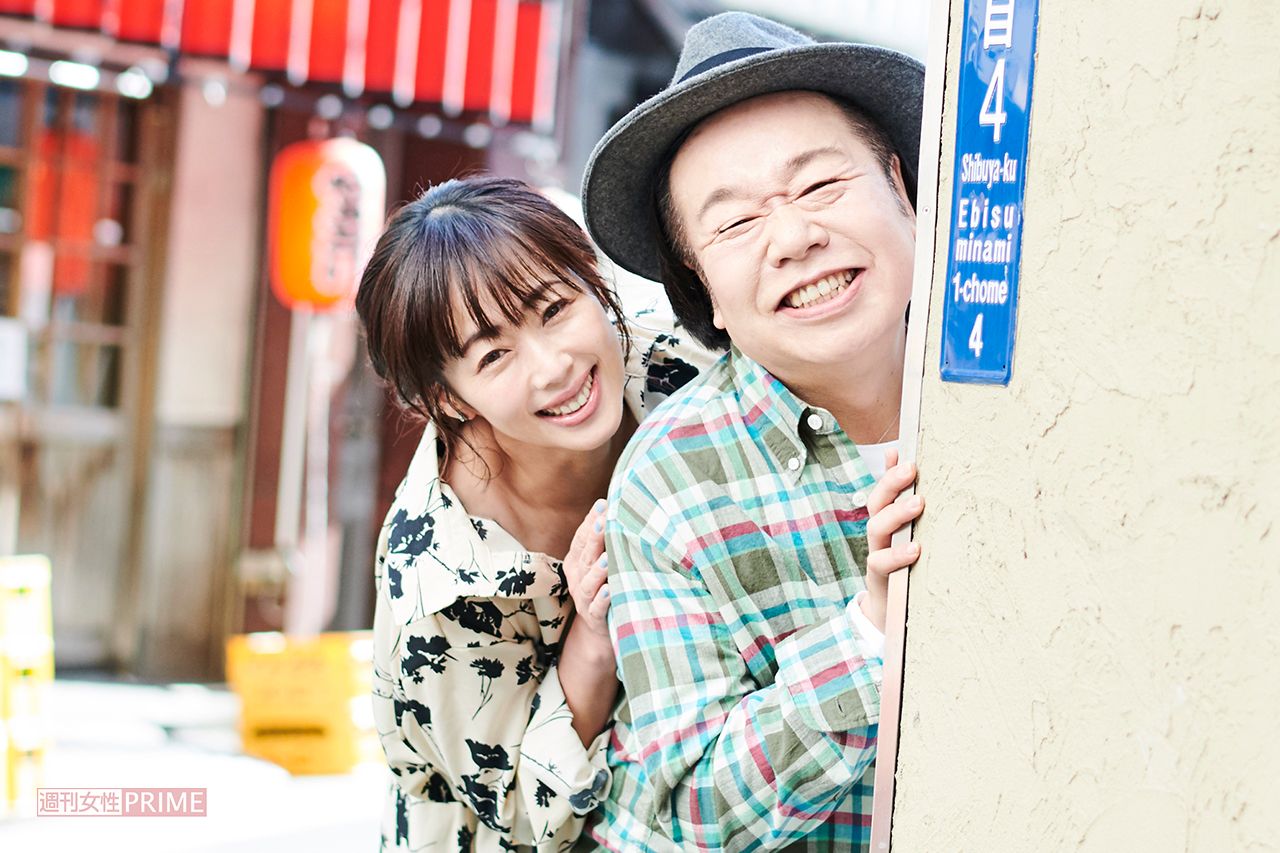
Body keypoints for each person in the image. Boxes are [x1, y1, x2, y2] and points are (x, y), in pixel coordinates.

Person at [577, 12, 928, 851]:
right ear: (704, 287)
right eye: (735, 223)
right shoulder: (669, 483)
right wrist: (868, 635)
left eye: (820, 185)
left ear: (901, 187)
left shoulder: (1017, 388)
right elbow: (690, 812)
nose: (795, 238)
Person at [357, 176, 711, 852]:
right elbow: (518, 815)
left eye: (554, 308)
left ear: (593, 280)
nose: (554, 367)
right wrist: (592, 636)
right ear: (448, 399)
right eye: (494, 356)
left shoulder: (675, 357)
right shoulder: (439, 577)